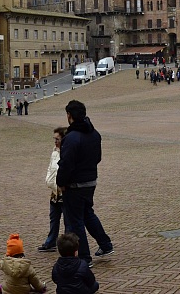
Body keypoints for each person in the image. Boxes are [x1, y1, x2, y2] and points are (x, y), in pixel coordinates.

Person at [57, 100, 114, 267]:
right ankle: (105, 244)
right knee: (88, 214)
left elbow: (66, 164)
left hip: (74, 185)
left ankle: (84, 258)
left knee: (76, 221)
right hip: (90, 181)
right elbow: (98, 158)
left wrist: (61, 182)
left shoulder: (71, 138)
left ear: (69, 115)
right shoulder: (94, 134)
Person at [39, 128, 66, 253]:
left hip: (64, 192)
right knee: (53, 217)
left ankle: (68, 245)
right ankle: (51, 241)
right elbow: (50, 168)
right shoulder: (54, 152)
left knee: (68, 220)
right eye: (54, 139)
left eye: (57, 139)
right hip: (54, 192)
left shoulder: (67, 153)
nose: (55, 141)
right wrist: (48, 180)